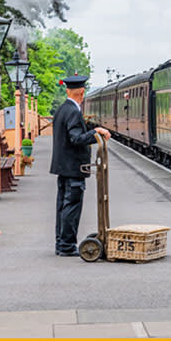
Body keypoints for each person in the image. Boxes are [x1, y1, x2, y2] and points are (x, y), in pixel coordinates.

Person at [50, 75, 110, 257]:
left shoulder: (62, 109)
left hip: (63, 168)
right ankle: (67, 246)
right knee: (72, 206)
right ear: (82, 93)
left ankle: (61, 243)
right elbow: (76, 139)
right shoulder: (74, 112)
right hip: (74, 168)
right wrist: (95, 132)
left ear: (68, 90)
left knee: (63, 206)